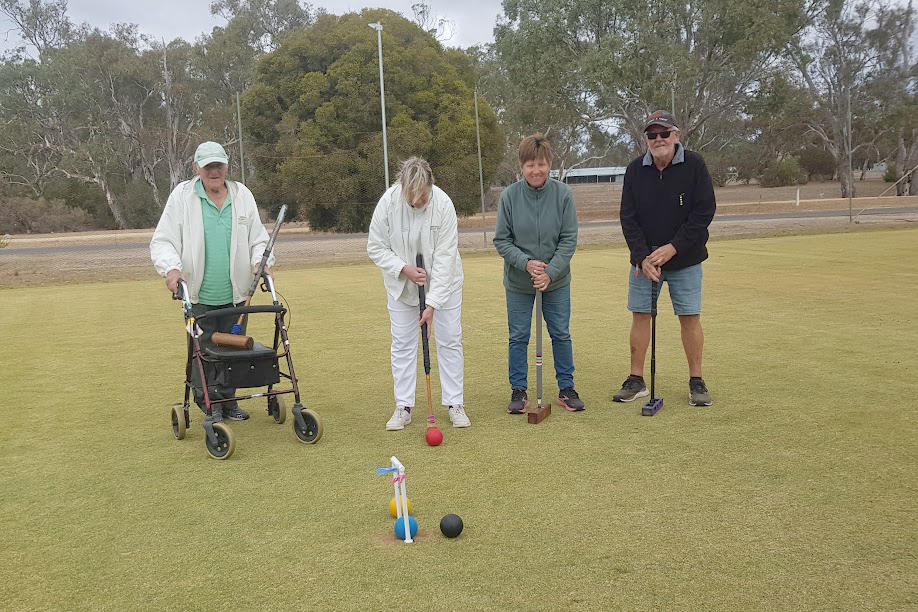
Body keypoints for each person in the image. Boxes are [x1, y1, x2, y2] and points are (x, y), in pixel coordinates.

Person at [150, 141, 275, 421]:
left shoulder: (242, 195)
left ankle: (229, 402)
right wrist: (171, 269)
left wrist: (260, 261)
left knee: (233, 349)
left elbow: (258, 238)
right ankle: (209, 404)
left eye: (218, 165)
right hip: (198, 294)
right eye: (208, 166)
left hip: (237, 293)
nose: (214, 171)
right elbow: (163, 240)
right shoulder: (182, 196)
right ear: (196, 168)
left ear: (226, 166)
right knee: (203, 353)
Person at [614, 110, 716, 406]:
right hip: (646, 263)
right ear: (646, 139)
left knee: (689, 317)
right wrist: (642, 257)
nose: (658, 139)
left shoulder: (694, 165)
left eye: (663, 134)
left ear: (676, 135)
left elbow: (703, 213)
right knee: (640, 315)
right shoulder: (635, 170)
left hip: (686, 258)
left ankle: (696, 380)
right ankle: (636, 380)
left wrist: (673, 247)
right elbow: (628, 218)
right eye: (651, 135)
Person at [367, 157, 470, 431]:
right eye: (411, 198)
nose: (417, 202)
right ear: (402, 188)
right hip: (402, 286)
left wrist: (432, 304)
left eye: (422, 196)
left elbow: (447, 258)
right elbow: (375, 247)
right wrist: (404, 269)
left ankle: (455, 403)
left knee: (449, 341)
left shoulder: (444, 205)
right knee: (402, 344)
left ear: (430, 186)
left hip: (444, 285)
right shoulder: (388, 203)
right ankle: (403, 406)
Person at [494, 134, 585, 414]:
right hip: (519, 282)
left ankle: (566, 388)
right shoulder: (509, 197)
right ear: (521, 166)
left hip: (556, 281)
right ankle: (518, 391)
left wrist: (550, 272)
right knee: (518, 336)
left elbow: (569, 239)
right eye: (531, 164)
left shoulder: (563, 195)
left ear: (550, 165)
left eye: (542, 164)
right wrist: (526, 263)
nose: (536, 170)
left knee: (560, 333)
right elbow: (502, 240)